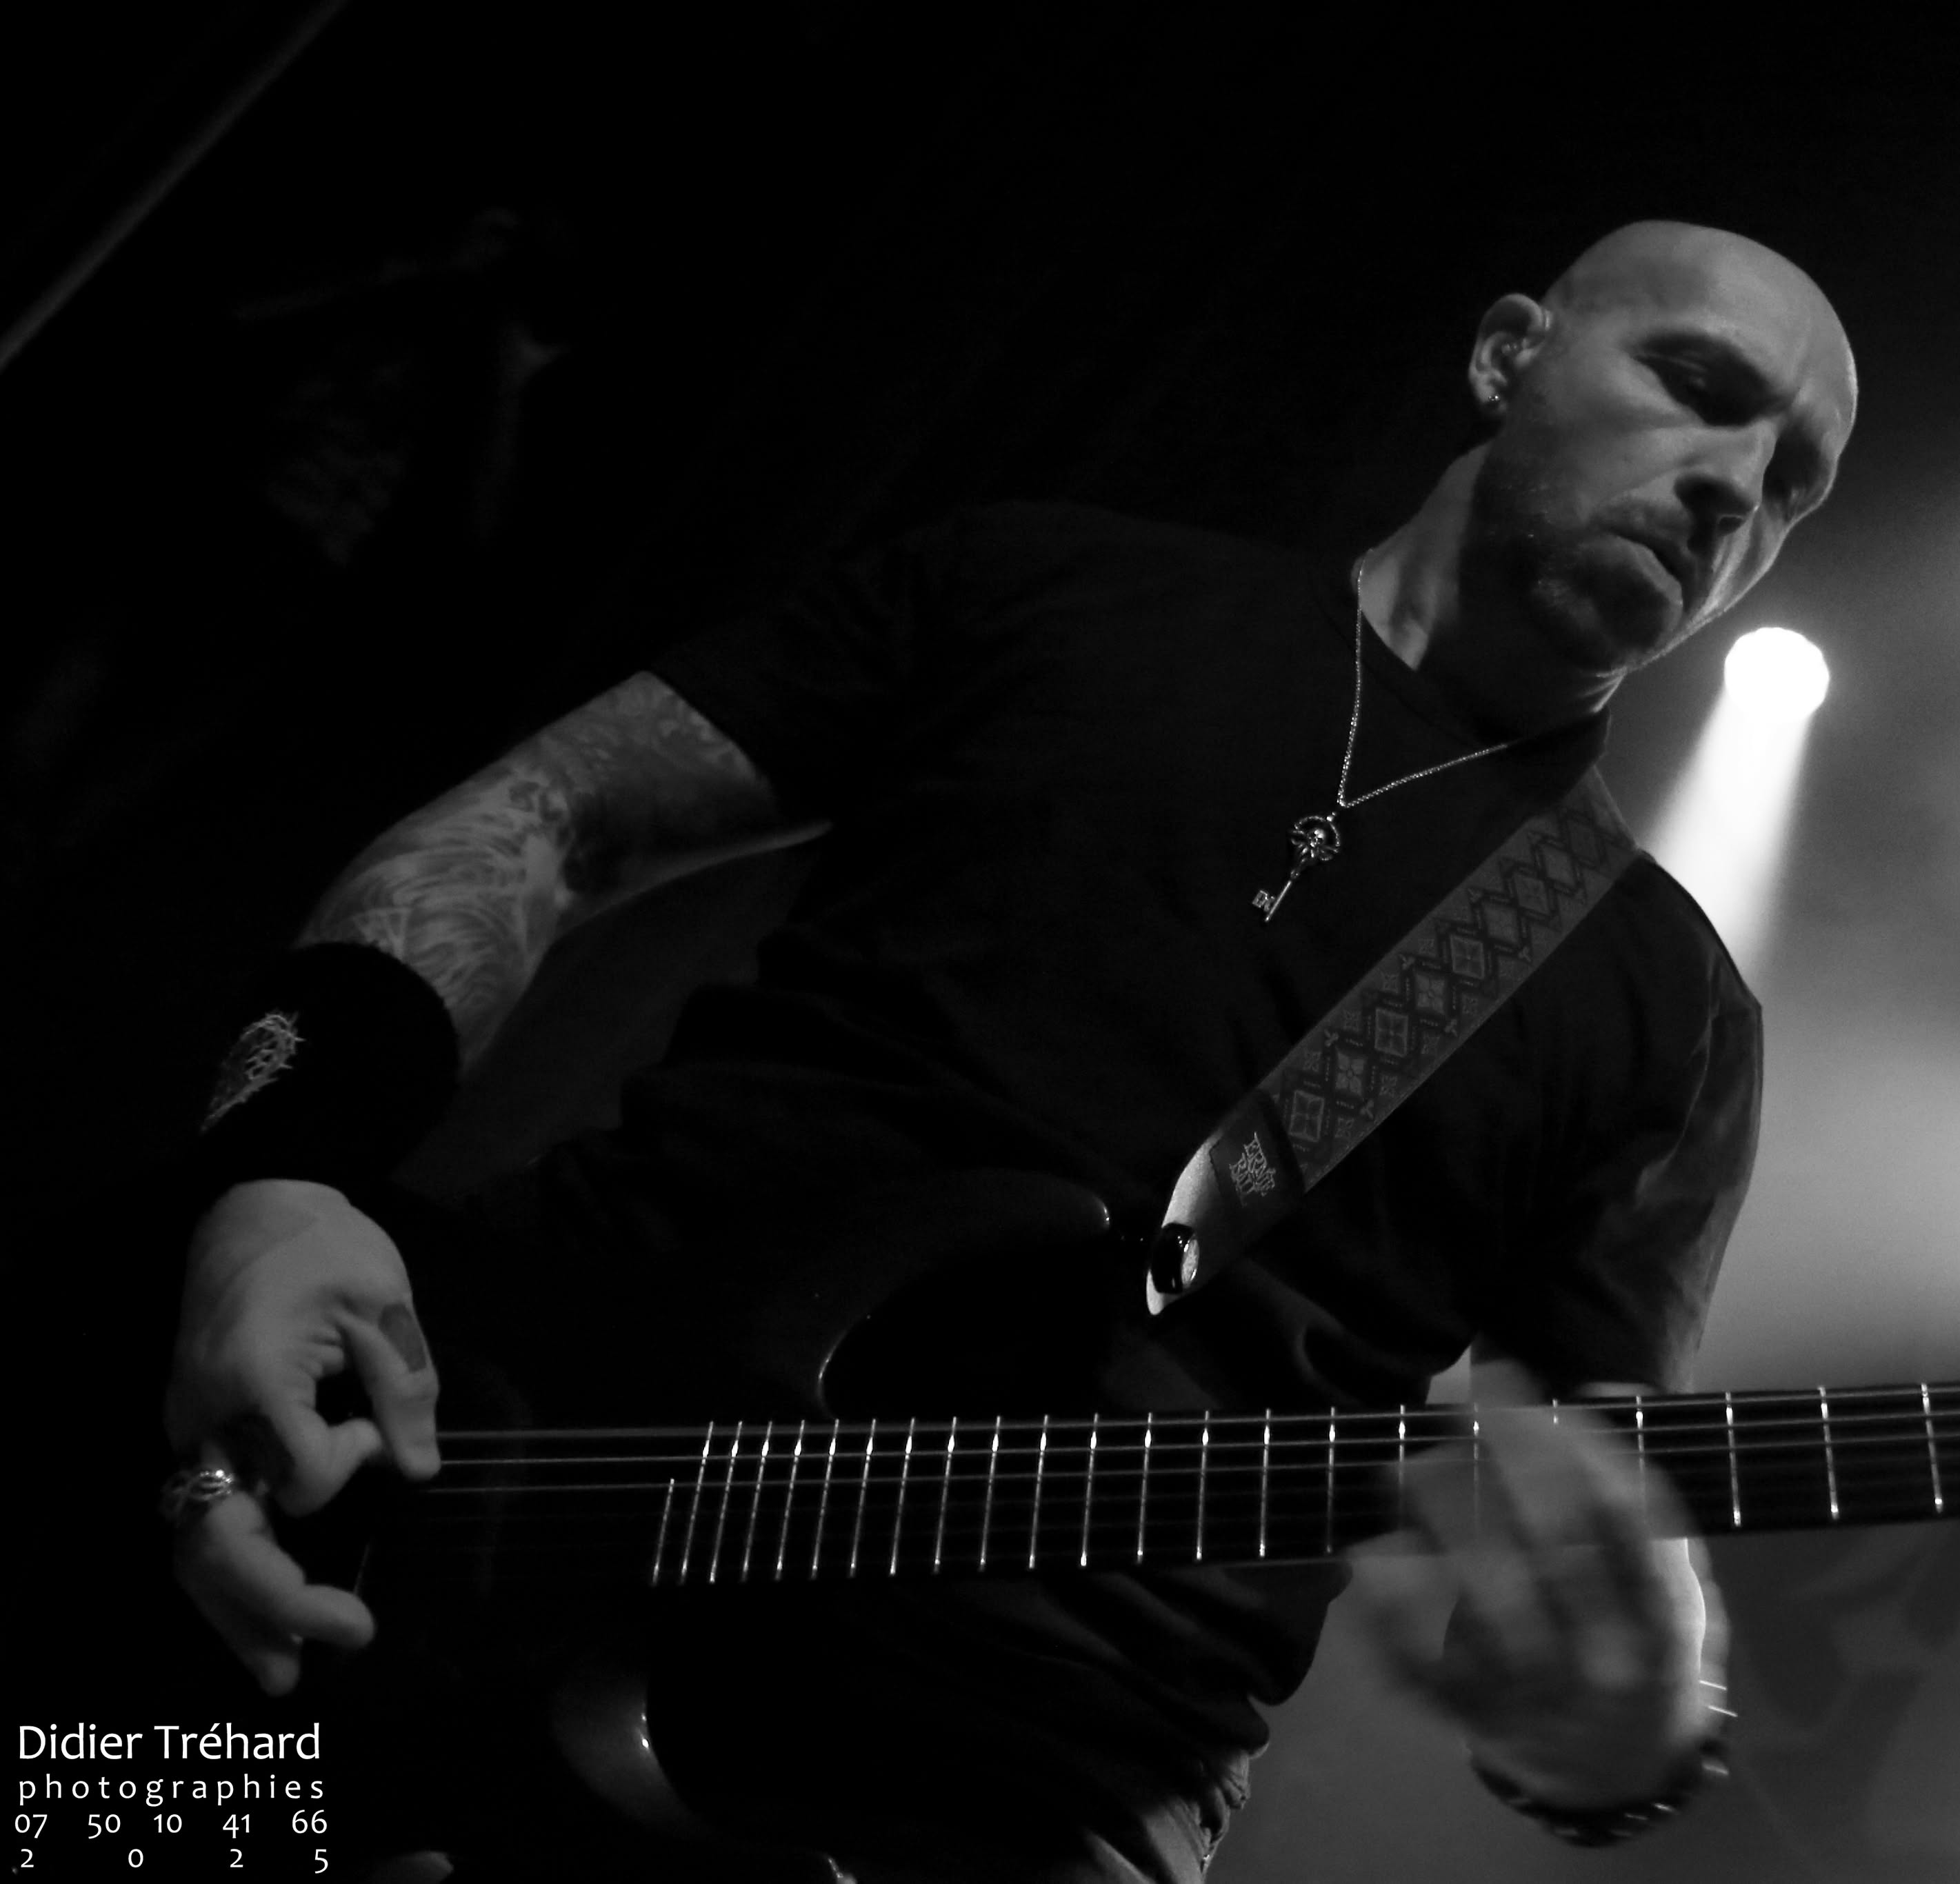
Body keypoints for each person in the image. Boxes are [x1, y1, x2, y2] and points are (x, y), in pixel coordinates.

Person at [160, 219, 1859, 1881]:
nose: (1732, 486)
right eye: (1698, 387)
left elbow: (1572, 1519)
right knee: (89, 1801)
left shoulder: (1664, 1004)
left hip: (1022, 1759)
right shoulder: (1056, 590)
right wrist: (282, 1180)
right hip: (476, 1482)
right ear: (1505, 356)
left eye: (1790, 482)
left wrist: (1633, 1716)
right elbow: (542, 821)